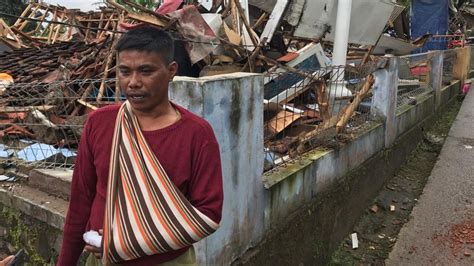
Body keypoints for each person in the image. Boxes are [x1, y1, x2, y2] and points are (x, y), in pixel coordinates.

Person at [57, 26, 223, 265]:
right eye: (125, 71)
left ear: (171, 71)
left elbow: (208, 214)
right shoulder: (100, 123)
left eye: (146, 71)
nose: (133, 82)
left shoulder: (196, 134)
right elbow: (81, 200)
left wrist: (124, 242)